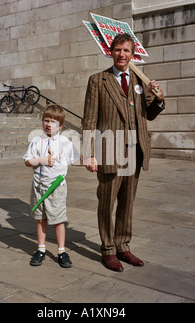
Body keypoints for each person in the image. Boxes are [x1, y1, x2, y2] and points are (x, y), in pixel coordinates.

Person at [83, 33, 165, 272]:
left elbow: (149, 113)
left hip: (136, 150)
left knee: (127, 203)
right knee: (107, 203)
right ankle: (108, 250)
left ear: (132, 54)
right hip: (110, 150)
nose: (122, 54)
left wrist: (159, 98)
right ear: (111, 52)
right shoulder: (98, 80)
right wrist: (89, 152)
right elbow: (89, 119)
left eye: (126, 51)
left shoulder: (139, 81)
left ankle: (123, 246)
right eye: (118, 50)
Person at [23, 104, 80, 268]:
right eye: (45, 120)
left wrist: (88, 163)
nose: (48, 124)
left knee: (58, 220)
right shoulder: (36, 141)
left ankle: (61, 251)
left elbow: (75, 160)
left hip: (56, 187)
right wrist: (41, 161)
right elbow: (27, 161)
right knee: (41, 219)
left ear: (60, 125)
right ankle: (41, 249)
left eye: (53, 121)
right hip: (39, 186)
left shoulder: (65, 143)